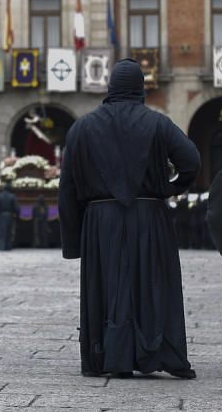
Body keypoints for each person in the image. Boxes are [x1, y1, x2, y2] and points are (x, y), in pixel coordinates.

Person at [59, 58, 201, 379]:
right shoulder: (158, 123)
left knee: (107, 287)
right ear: (140, 89)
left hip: (100, 221)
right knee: (150, 285)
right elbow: (191, 160)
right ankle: (154, 352)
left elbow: (66, 187)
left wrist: (74, 241)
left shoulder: (81, 128)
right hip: (149, 216)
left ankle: (108, 355)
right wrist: (168, 188)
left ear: (110, 88)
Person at [0, 182, 19, 251]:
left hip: (1, 215)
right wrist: (17, 214)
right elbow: (16, 208)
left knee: (1, 231)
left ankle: (1, 246)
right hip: (9, 215)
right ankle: (8, 247)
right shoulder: (12, 196)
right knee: (8, 232)